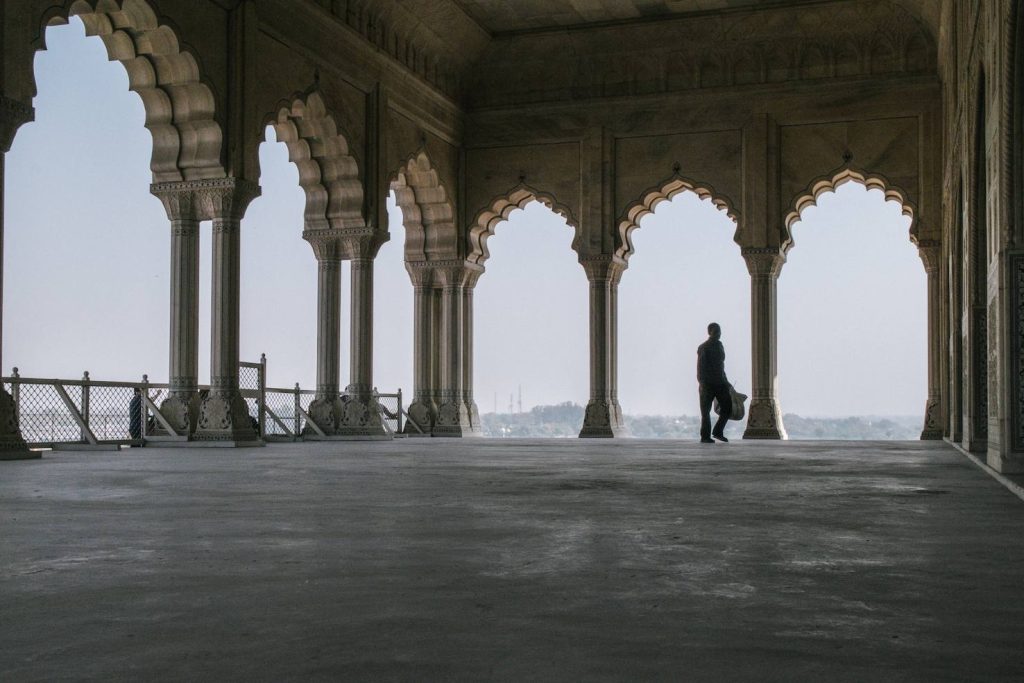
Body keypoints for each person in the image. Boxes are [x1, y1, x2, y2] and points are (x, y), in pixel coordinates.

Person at [697, 322, 732, 444]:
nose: (719, 334)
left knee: (728, 408)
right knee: (705, 412)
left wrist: (726, 382)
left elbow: (721, 366)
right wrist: (702, 383)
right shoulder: (704, 347)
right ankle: (705, 436)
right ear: (710, 332)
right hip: (708, 384)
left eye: (719, 331)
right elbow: (701, 368)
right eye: (716, 331)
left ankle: (718, 431)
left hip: (721, 383)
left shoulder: (720, 345)